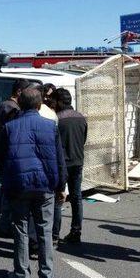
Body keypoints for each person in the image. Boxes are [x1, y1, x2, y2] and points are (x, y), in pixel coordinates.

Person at [0, 85, 67, 278]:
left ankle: (21, 275)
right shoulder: (50, 126)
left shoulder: (9, 127)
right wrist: (61, 186)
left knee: (20, 229)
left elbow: (0, 159)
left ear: (20, 103)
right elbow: (59, 159)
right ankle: (46, 277)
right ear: (40, 104)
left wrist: (6, 180)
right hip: (45, 185)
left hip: (19, 185)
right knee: (44, 230)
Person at [0, 79, 26, 234]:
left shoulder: (4, 105)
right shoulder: (11, 109)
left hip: (2, 153)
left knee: (4, 188)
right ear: (19, 92)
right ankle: (4, 224)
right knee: (8, 191)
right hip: (8, 156)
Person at [54, 88, 87, 244]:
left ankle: (54, 235)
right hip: (78, 161)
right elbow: (83, 139)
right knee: (76, 198)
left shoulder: (57, 119)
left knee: (58, 198)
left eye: (54, 101)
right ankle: (76, 231)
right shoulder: (81, 118)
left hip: (62, 164)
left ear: (60, 102)